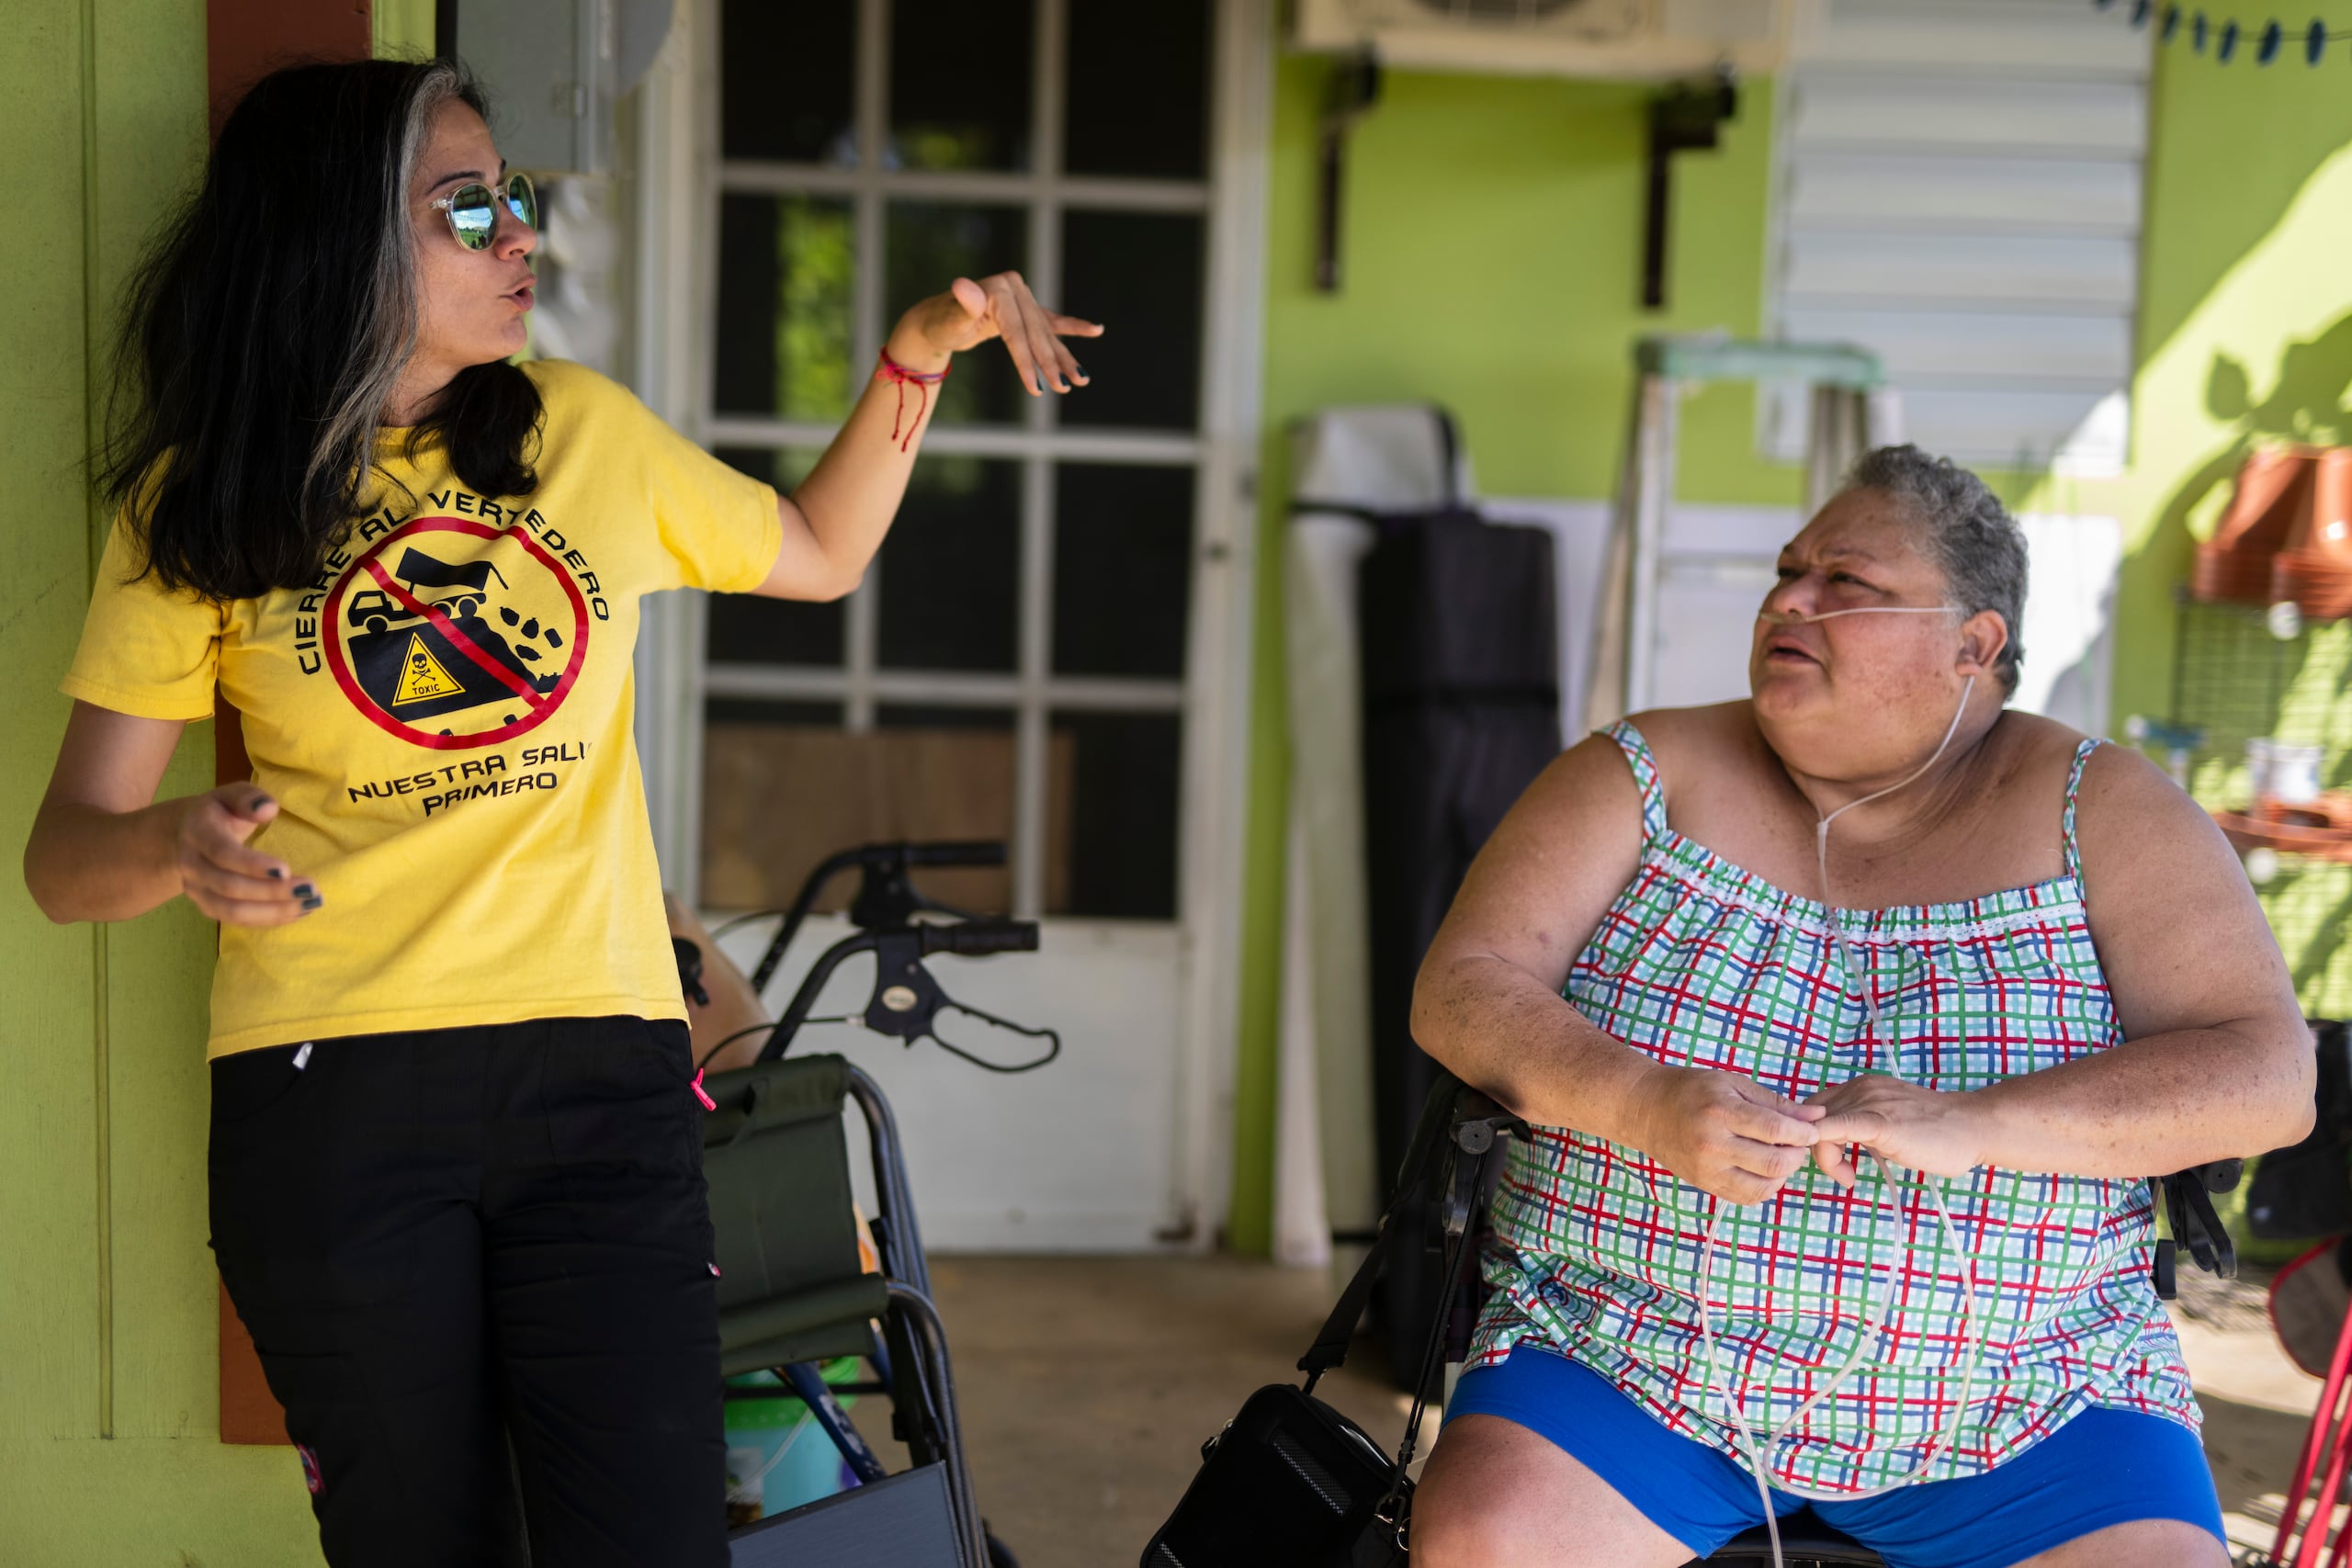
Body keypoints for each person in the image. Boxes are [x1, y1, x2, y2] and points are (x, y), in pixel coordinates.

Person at [20, 58, 1098, 1568]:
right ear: (343, 239)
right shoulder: (205, 508)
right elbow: (67, 858)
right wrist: (167, 845)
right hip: (331, 1097)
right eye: (470, 209)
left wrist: (917, 350)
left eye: (514, 198)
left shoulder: (578, 436)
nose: (521, 234)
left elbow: (817, 547)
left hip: (599, 1076)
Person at [1406, 446, 2312, 1568]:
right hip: (1625, 1356)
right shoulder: (1645, 771)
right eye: (1789, 573)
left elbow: (2267, 1080)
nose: (1790, 599)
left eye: (1849, 584)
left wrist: (1974, 1124)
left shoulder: (2104, 809)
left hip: (2034, 1394)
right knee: (1489, 1542)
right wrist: (1641, 1101)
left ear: (1972, 646)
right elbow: (1463, 988)